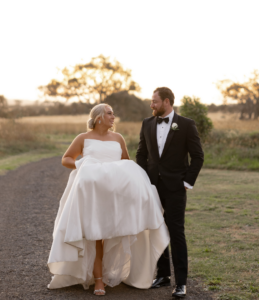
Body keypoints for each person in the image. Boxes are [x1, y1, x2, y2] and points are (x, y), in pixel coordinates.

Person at [47, 103, 170, 296]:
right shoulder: (83, 138)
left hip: (114, 196)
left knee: (114, 234)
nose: (113, 116)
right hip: (93, 195)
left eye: (113, 113)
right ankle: (99, 281)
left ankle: (121, 272)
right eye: (109, 113)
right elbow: (67, 159)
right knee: (95, 235)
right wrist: (82, 165)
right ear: (98, 118)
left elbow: (125, 163)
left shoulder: (118, 138)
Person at [136, 87, 204, 298]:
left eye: (154, 101)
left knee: (176, 232)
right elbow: (141, 154)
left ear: (166, 102)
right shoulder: (147, 123)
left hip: (176, 187)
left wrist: (187, 182)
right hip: (153, 187)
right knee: (156, 228)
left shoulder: (186, 125)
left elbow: (198, 156)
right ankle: (163, 275)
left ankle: (181, 282)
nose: (151, 105)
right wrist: (144, 181)